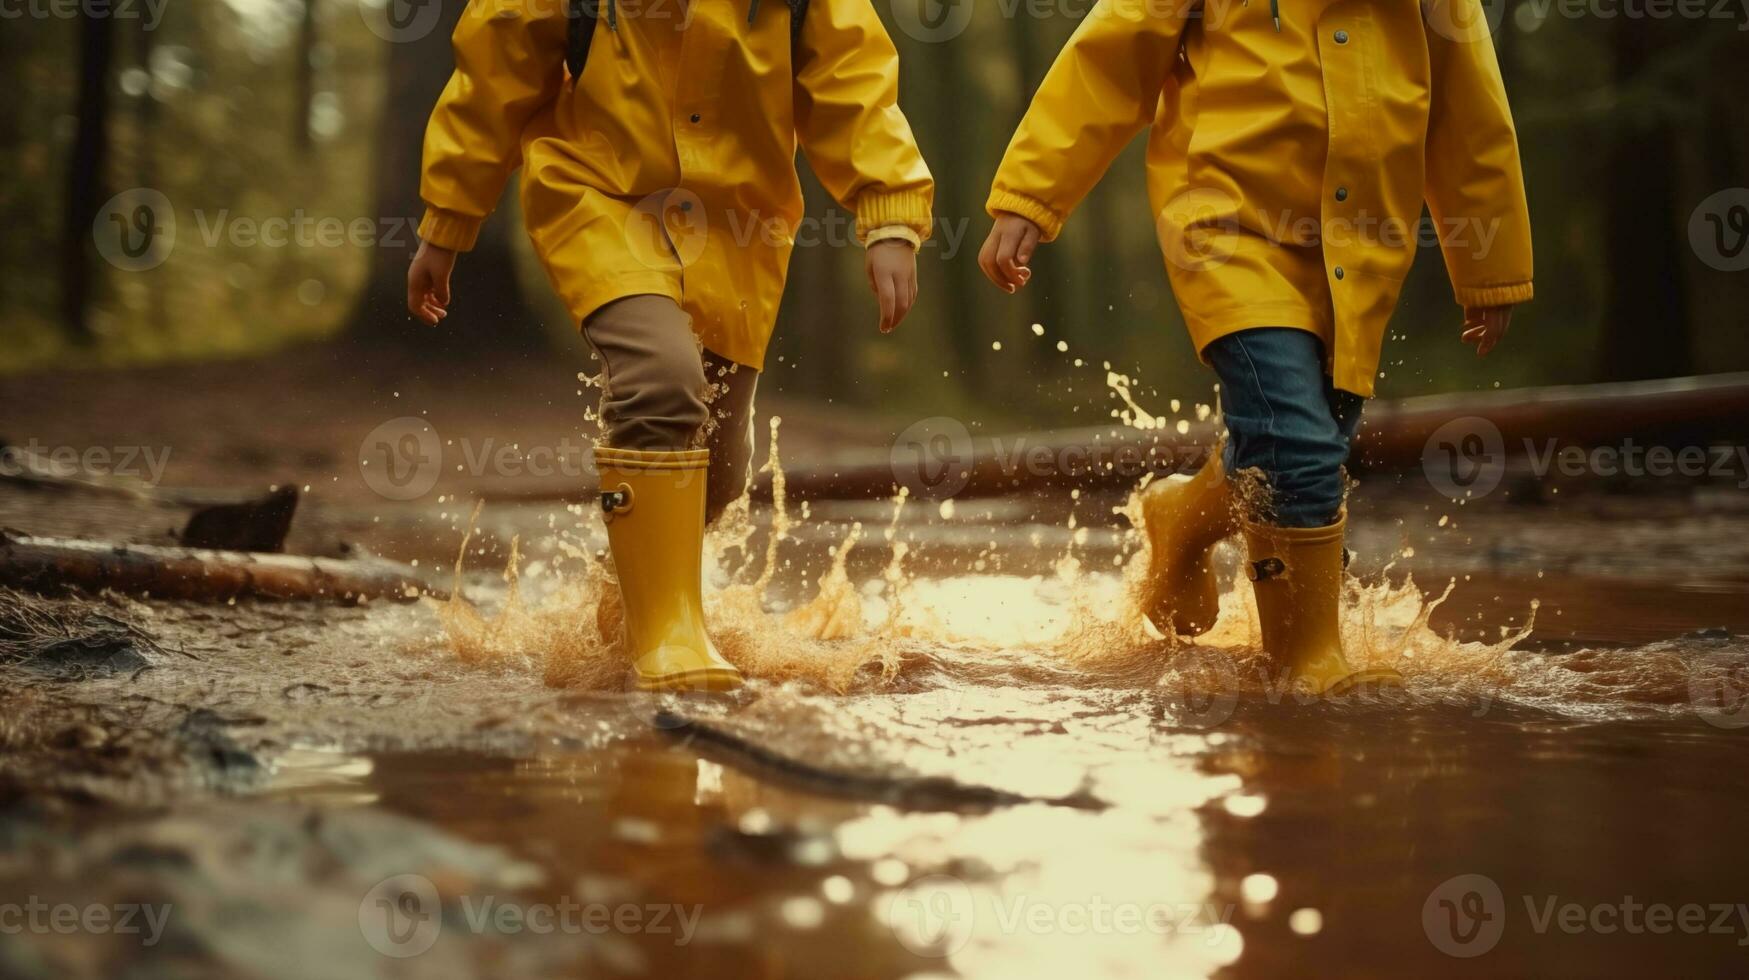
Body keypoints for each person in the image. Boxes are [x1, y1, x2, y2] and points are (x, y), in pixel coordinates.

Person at [977, 0, 1532, 694]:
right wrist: (1030, 197)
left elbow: (1468, 111)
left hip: (1357, 246)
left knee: (1302, 440)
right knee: (1297, 448)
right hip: (1224, 226)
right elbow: (1108, 61)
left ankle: (1180, 516)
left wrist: (1489, 263)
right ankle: (1306, 663)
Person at [407, 0, 934, 691]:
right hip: (600, 202)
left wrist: (889, 213)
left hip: (738, 234)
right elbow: (491, 84)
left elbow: (856, 89)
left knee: (720, 467)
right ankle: (669, 639)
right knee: (661, 381)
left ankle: (625, 597)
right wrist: (446, 220)